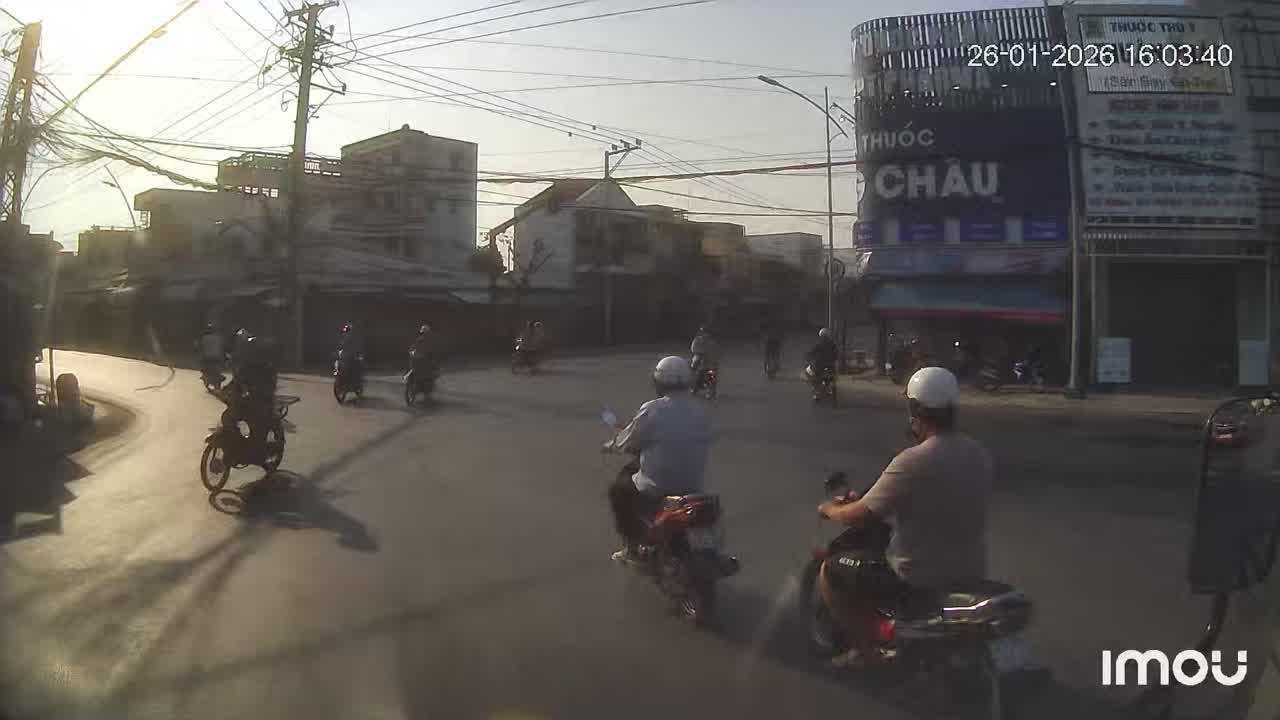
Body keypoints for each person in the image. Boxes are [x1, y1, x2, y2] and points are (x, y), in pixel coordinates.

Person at [816, 366, 993, 668]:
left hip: (917, 577)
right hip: (971, 571)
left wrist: (829, 509)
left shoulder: (912, 461)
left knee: (831, 572)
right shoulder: (979, 454)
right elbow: (939, 500)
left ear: (916, 411)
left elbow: (858, 516)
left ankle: (867, 652)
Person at [603, 355, 713, 563]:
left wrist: (611, 446)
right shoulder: (700, 410)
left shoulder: (652, 409)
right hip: (693, 487)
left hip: (657, 486)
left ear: (659, 382)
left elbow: (628, 441)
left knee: (618, 490)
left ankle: (631, 549)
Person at [221, 334, 278, 458]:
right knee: (227, 417)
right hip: (247, 403)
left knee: (257, 427)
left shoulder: (268, 368)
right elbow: (237, 381)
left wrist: (256, 391)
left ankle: (259, 452)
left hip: (262, 405)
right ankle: (236, 443)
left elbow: (270, 387)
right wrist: (224, 391)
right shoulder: (246, 366)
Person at [805, 328, 839, 396]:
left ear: (820, 335)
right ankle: (828, 387)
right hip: (830, 366)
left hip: (819, 366)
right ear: (828, 335)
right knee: (833, 374)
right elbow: (836, 354)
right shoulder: (832, 344)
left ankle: (816, 389)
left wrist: (808, 358)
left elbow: (811, 352)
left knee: (808, 371)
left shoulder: (817, 343)